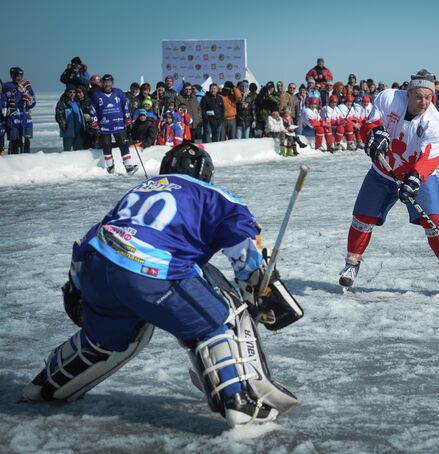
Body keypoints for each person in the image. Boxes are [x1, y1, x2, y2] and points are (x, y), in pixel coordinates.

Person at [21, 142, 299, 428]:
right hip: (150, 271)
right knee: (221, 317)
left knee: (107, 340)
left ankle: (46, 387)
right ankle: (240, 400)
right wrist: (255, 281)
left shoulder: (139, 190)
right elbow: (240, 236)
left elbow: (92, 235)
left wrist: (77, 286)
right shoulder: (213, 194)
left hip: (98, 264)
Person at [339, 69, 439, 292]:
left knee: (434, 221)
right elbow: (370, 123)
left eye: (428, 97)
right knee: (362, 218)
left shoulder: (437, 126)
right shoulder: (389, 98)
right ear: (408, 93)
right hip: (383, 172)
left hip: (417, 175)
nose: (423, 102)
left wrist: (415, 179)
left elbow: (429, 159)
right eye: (418, 96)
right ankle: (351, 263)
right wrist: (374, 134)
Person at [89, 74, 136, 174]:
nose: (107, 84)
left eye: (109, 82)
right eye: (105, 82)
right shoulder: (97, 94)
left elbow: (125, 106)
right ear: (102, 83)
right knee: (106, 145)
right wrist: (94, 122)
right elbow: (93, 110)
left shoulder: (118, 92)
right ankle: (110, 167)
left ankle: (128, 166)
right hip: (104, 125)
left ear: (112, 83)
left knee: (123, 144)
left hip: (118, 124)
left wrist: (127, 118)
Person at [3, 67, 36, 154]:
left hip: (25, 119)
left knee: (26, 142)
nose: (19, 78)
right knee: (15, 142)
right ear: (12, 76)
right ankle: (13, 162)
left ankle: (26, 161)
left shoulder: (26, 86)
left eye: (21, 75)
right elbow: (4, 99)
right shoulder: (7, 86)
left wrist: (27, 95)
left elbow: (33, 102)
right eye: (17, 75)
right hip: (13, 120)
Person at [55, 85, 86, 151]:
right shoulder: (62, 102)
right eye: (70, 92)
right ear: (66, 92)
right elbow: (59, 116)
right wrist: (65, 126)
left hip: (78, 132)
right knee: (67, 151)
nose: (72, 94)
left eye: (74, 92)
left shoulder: (77, 102)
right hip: (68, 132)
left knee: (79, 151)